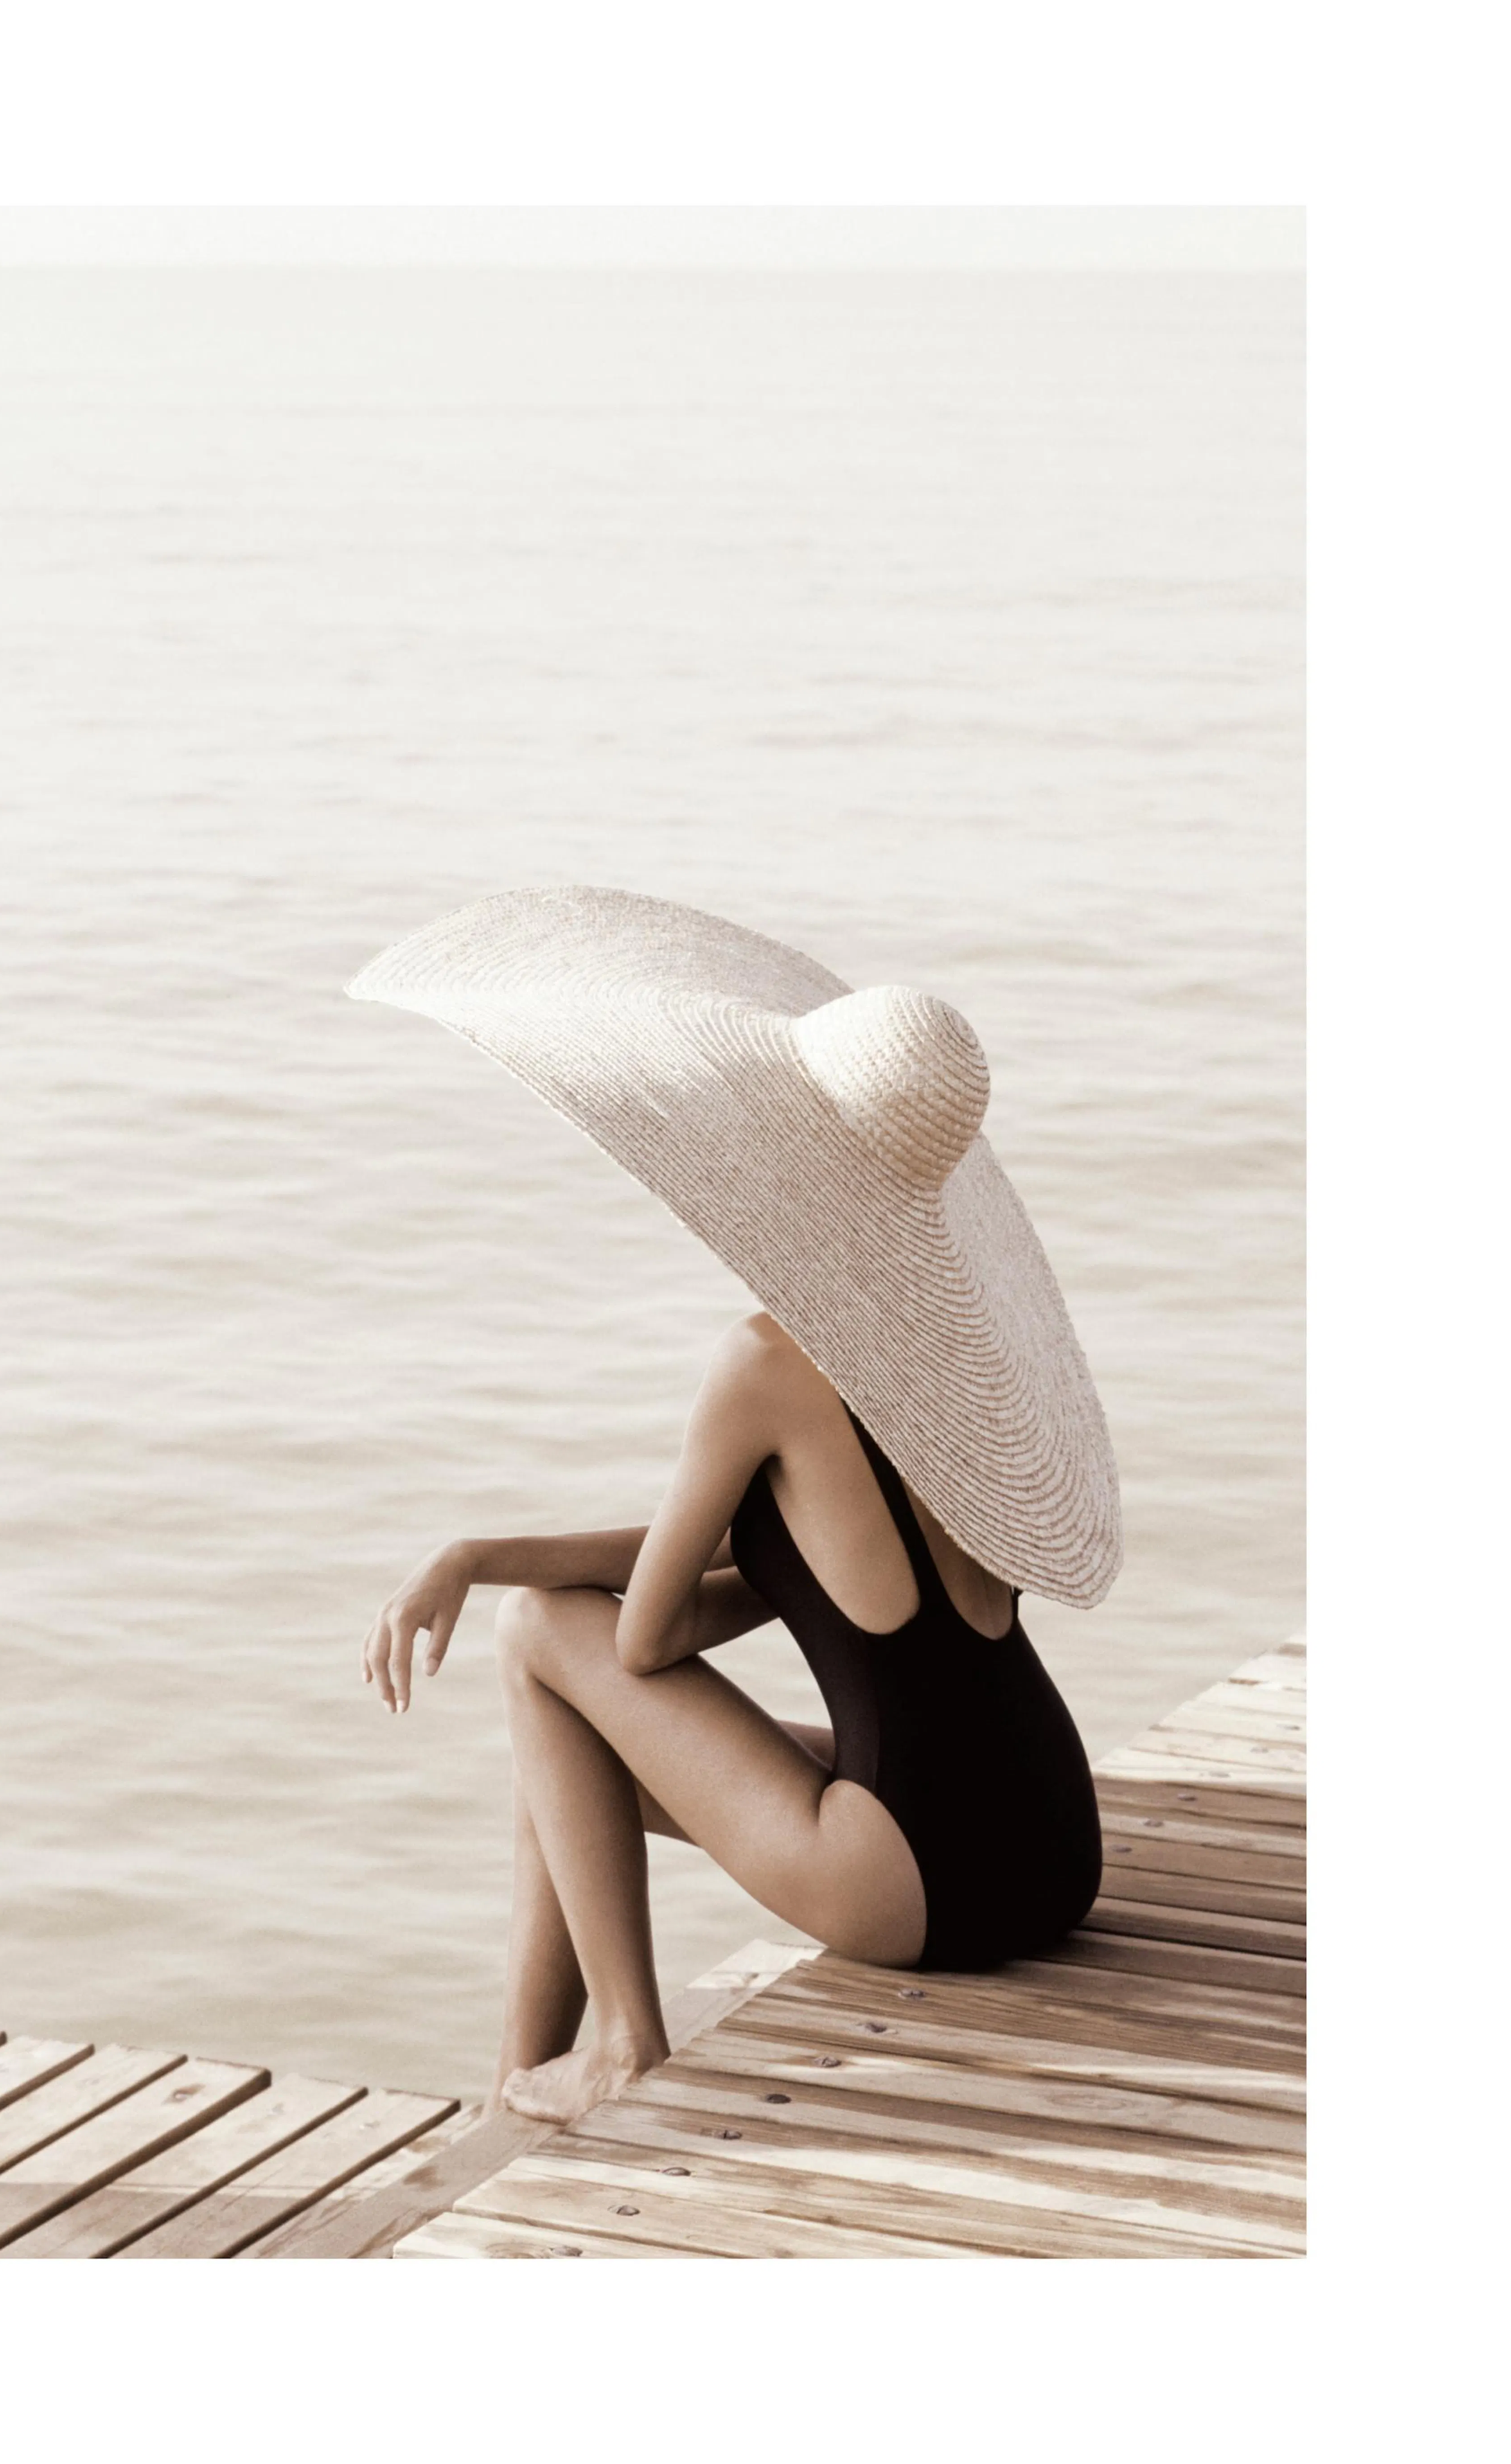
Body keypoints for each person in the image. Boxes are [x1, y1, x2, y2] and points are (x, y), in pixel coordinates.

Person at [349, 887, 1121, 2124]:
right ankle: (508, 2090)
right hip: (1048, 1840)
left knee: (540, 1636)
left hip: (915, 1875)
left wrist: (489, 1564)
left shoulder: (767, 1364)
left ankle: (621, 2044)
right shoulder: (955, 1360)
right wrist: (484, 1547)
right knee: (569, 1758)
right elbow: (792, 1578)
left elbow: (644, 1638)